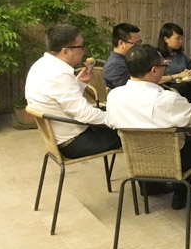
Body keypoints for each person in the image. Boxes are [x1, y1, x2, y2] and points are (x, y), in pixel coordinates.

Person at [106, 44, 191, 210]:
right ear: (154, 70)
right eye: (163, 67)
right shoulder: (168, 99)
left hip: (137, 161)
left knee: (183, 138)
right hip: (172, 161)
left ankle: (181, 196)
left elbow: (111, 122)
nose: (164, 70)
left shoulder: (114, 96)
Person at [25, 24, 121, 159]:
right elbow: (85, 115)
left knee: (112, 113)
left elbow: (61, 100)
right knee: (134, 133)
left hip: (63, 133)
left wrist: (80, 83)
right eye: (81, 46)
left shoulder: (41, 65)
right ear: (65, 51)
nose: (84, 50)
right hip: (75, 141)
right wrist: (120, 119)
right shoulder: (59, 74)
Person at [102, 23, 142, 89]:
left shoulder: (125, 60)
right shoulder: (115, 65)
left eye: (139, 42)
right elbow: (129, 89)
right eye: (135, 43)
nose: (139, 46)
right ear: (121, 43)